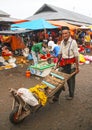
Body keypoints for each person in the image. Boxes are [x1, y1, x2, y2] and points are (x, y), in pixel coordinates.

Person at [54, 26, 79, 101]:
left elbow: (76, 55)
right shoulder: (61, 42)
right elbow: (60, 53)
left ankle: (71, 95)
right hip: (63, 64)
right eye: (63, 34)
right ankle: (56, 96)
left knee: (70, 81)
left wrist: (77, 68)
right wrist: (57, 63)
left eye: (66, 33)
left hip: (71, 64)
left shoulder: (73, 42)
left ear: (69, 33)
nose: (64, 35)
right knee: (59, 79)